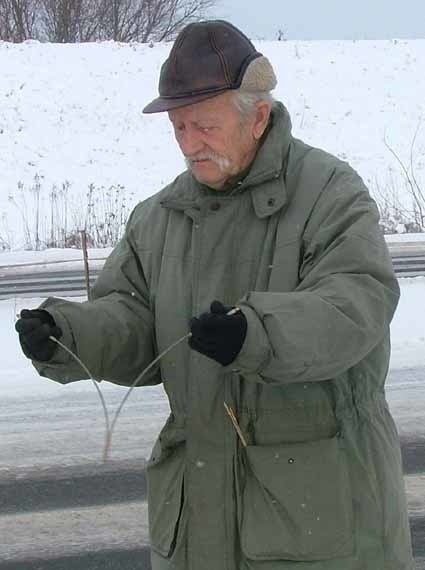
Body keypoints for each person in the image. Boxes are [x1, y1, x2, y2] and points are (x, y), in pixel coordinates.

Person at [15, 19, 414, 570]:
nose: (188, 143)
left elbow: (355, 303)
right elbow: (133, 318)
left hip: (318, 518)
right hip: (195, 515)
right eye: (179, 128)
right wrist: (69, 335)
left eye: (202, 125)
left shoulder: (329, 192)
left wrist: (255, 332)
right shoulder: (159, 217)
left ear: (257, 117)